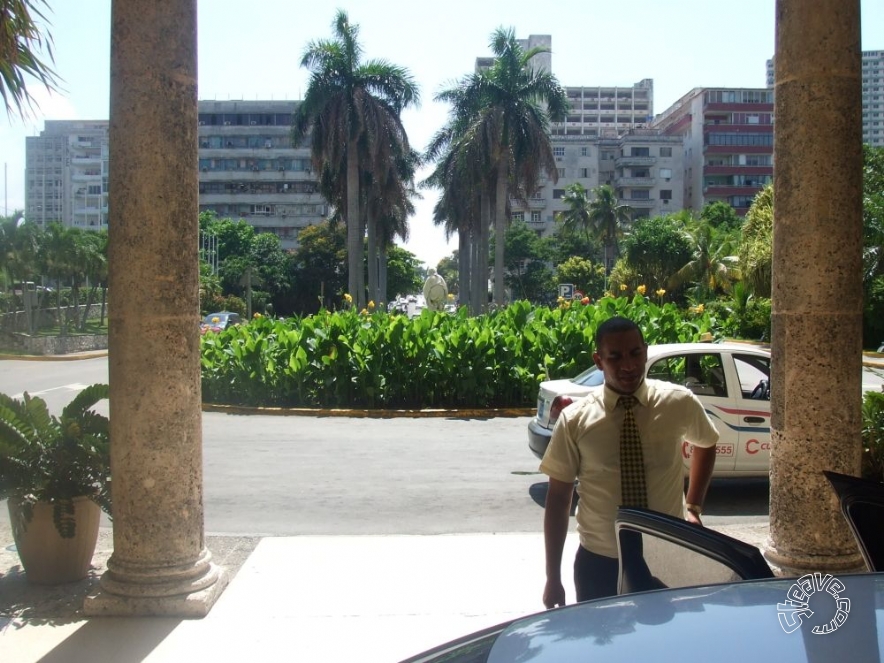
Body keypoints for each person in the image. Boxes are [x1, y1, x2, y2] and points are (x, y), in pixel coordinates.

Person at [540, 316, 719, 607]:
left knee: (663, 649)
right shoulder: (576, 420)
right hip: (599, 561)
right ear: (599, 360)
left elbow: (707, 443)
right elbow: (559, 497)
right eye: (616, 357)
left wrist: (694, 507)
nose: (628, 365)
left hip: (665, 557)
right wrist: (552, 577)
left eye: (635, 353)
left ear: (645, 351)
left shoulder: (678, 402)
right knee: (604, 648)